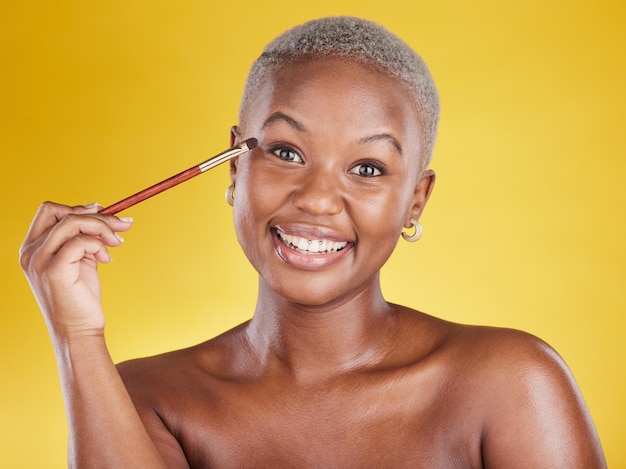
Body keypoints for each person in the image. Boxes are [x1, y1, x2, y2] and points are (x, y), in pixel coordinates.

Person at [19, 16, 605, 468]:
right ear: (233, 167)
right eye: (285, 152)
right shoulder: (147, 399)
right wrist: (77, 337)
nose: (318, 199)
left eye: (369, 168)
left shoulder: (510, 384)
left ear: (416, 200)